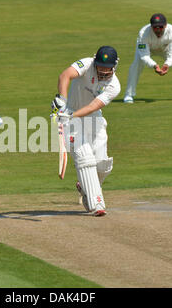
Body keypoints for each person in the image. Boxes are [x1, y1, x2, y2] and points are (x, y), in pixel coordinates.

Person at [52, 46, 121, 217]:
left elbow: (92, 107)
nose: (103, 71)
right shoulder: (87, 63)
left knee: (102, 163)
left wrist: (70, 115)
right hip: (70, 115)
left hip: (92, 118)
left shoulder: (114, 86)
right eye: (101, 67)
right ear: (95, 62)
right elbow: (65, 75)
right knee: (85, 158)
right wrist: (62, 100)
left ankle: (85, 186)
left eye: (108, 68)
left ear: (114, 66)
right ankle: (95, 203)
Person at [123, 13, 172, 103]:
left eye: (161, 27)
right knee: (136, 64)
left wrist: (167, 64)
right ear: (151, 26)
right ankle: (129, 94)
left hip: (166, 49)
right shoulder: (143, 33)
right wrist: (154, 65)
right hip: (148, 50)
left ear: (165, 25)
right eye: (155, 27)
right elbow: (144, 55)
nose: (158, 30)